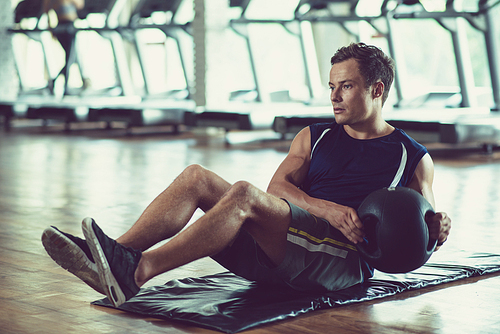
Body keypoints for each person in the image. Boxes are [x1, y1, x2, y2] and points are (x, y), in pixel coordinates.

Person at [42, 42, 451, 308]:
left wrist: (440, 226)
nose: (334, 97)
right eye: (331, 87)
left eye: (345, 87)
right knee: (196, 177)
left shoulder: (411, 156)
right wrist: (325, 209)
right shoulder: (314, 136)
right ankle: (112, 257)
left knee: (242, 195)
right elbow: (278, 189)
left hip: (339, 261)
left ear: (377, 90)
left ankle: (137, 272)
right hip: (287, 241)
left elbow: (425, 224)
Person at [42, 0, 86, 95]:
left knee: (70, 58)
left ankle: (55, 82)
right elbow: (47, 12)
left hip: (70, 26)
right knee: (70, 57)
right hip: (63, 27)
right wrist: (50, 29)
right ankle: (64, 88)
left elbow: (80, 5)